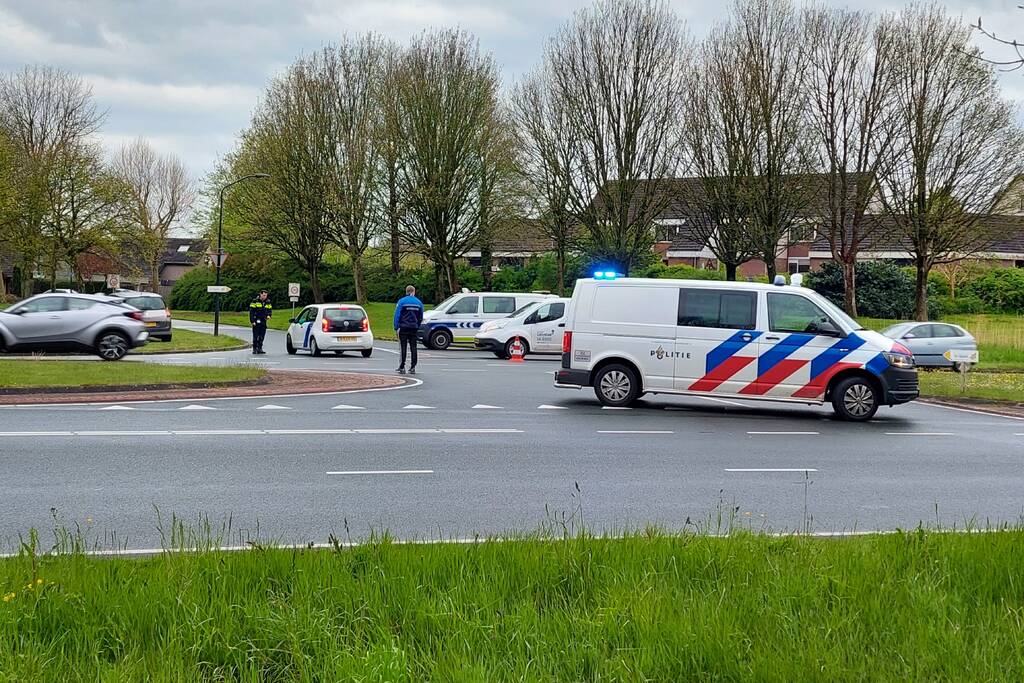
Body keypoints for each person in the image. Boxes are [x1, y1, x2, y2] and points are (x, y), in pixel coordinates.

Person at [393, 285, 424, 374]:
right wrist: (417, 325)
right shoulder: (419, 303)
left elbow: (397, 315)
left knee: (403, 347)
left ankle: (402, 366)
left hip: (403, 327)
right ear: (413, 292)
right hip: (414, 327)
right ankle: (413, 366)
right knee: (413, 347)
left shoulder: (401, 301)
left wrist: (396, 327)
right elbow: (420, 317)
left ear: (407, 292)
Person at [249, 289, 273, 355]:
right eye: (264, 295)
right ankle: (254, 349)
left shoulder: (268, 302)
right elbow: (251, 312)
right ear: (260, 294)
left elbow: (269, 310)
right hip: (256, 320)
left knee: (262, 335)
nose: (265, 297)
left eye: (266, 295)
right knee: (256, 335)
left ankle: (260, 348)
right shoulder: (255, 301)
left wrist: (269, 315)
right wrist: (252, 321)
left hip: (263, 321)